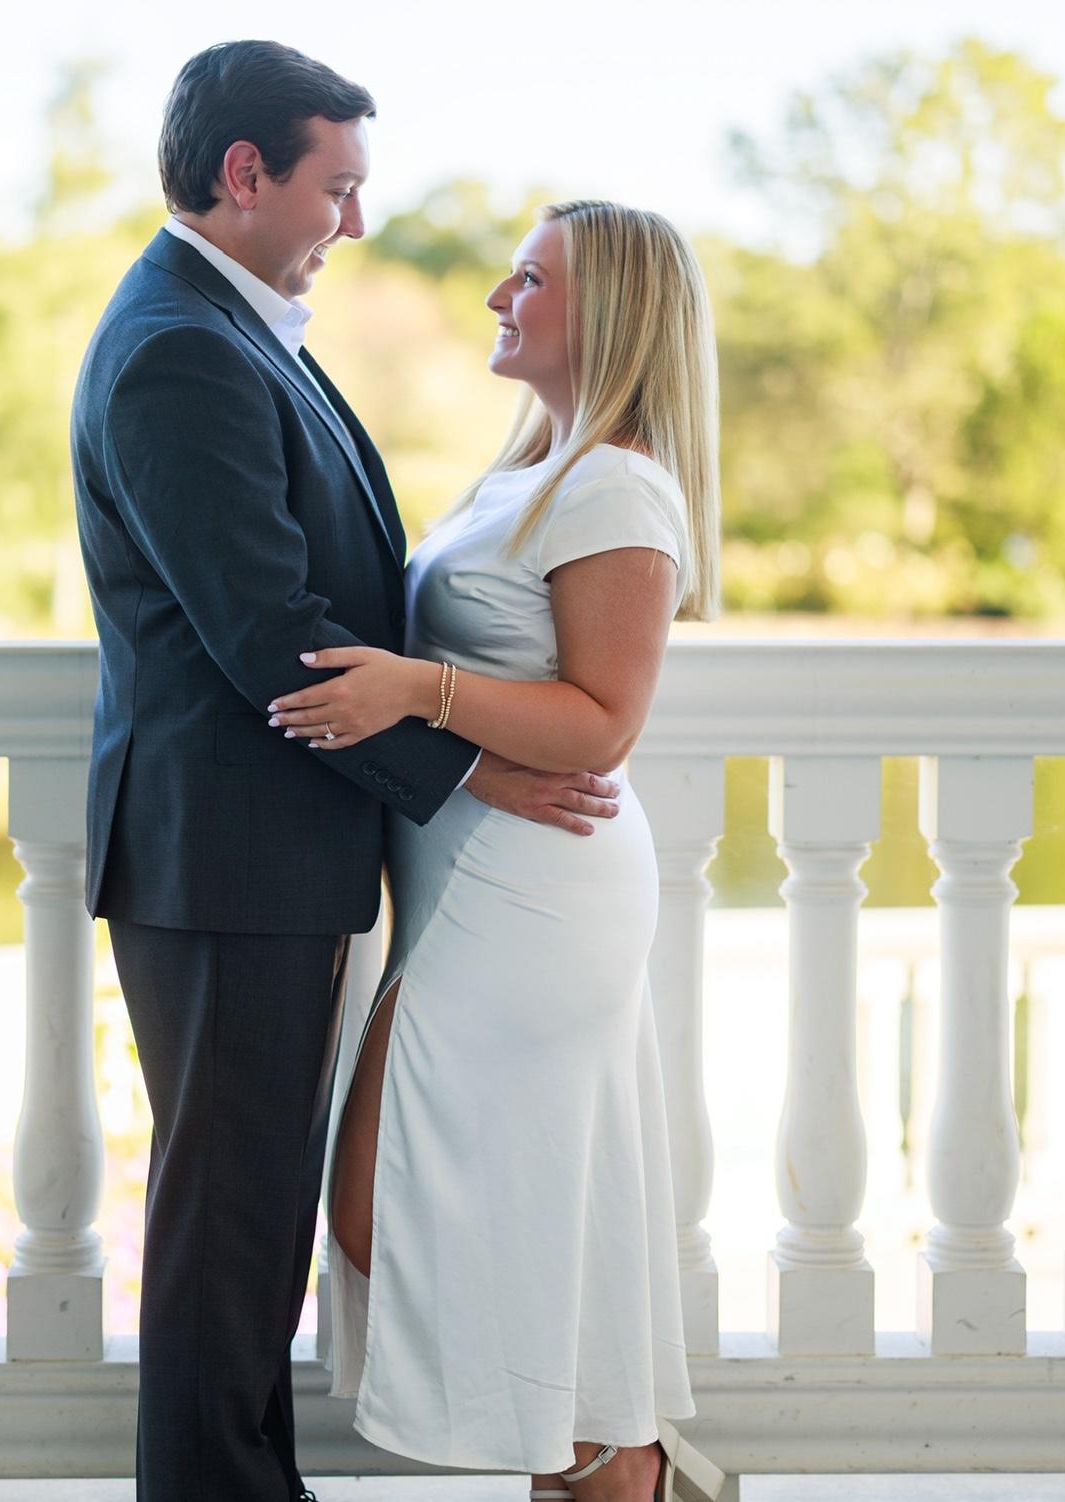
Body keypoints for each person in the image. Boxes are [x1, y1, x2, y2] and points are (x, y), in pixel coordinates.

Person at [70, 40, 627, 1502]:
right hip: (226, 857)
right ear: (245, 173)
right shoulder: (181, 345)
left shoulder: (232, 326)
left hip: (261, 852)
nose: (358, 221)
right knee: (227, 1222)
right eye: (339, 187)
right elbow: (270, 631)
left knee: (253, 1216)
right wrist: (475, 768)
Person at [264, 200, 726, 1502]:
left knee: (384, 1205)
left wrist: (416, 691)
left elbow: (604, 722)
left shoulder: (617, 485)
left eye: (529, 278)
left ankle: (609, 1460)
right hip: (467, 873)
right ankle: (592, 1461)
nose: (496, 297)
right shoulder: (537, 467)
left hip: (534, 891)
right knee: (500, 1201)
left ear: (609, 312)